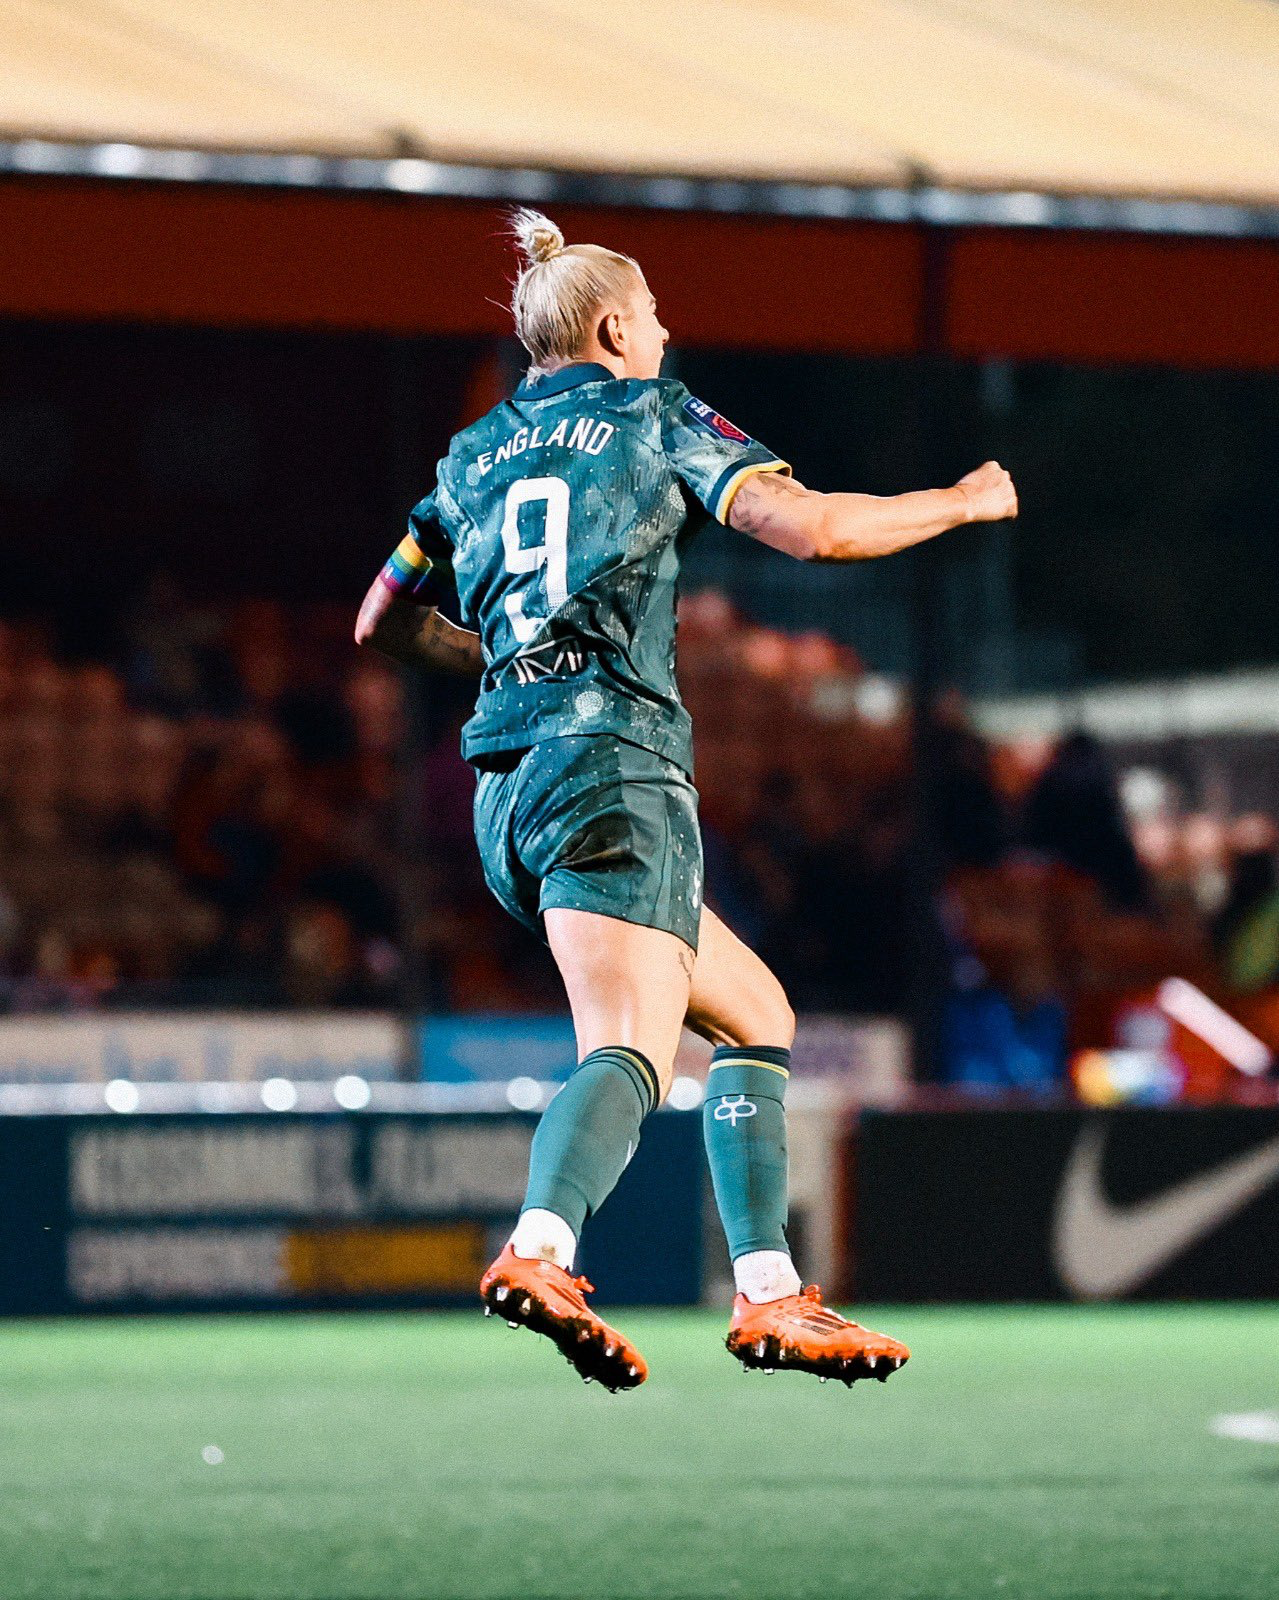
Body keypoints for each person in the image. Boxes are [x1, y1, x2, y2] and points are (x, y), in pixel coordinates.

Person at [356, 210, 1018, 1391]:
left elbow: (380, 622)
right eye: (654, 314)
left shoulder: (468, 456)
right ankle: (538, 1247)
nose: (663, 331)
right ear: (614, 325)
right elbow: (809, 528)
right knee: (629, 1046)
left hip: (509, 794)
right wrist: (960, 503)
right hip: (613, 769)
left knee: (755, 1013)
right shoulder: (654, 416)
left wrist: (513, 658)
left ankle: (769, 1295)